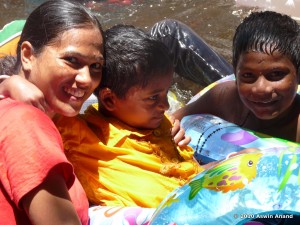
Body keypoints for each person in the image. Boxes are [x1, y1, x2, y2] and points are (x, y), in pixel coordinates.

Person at [53, 24, 204, 208]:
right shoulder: (84, 137)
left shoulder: (162, 125)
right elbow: (36, 102)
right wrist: (9, 84)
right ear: (109, 99)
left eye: (165, 93)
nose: (165, 106)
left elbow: (191, 175)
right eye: (153, 97)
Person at [0, 0, 105, 224]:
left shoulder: (17, 108)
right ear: (27, 55)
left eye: (95, 66)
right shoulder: (25, 121)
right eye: (72, 60)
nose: (87, 79)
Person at [173, 10, 300, 143]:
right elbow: (172, 120)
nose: (261, 89)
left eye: (276, 74)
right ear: (235, 74)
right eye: (248, 75)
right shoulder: (227, 99)